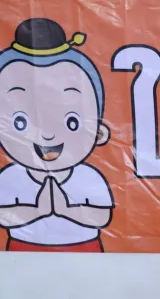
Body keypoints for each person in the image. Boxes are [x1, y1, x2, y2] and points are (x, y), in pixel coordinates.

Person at [0, 18, 114, 252]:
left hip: (85, 250)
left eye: (72, 121)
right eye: (21, 122)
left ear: (98, 132)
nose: (48, 136)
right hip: (22, 252)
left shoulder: (87, 176)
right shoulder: (11, 177)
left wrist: (65, 210)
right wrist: (38, 211)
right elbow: (3, 215)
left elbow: (102, 216)